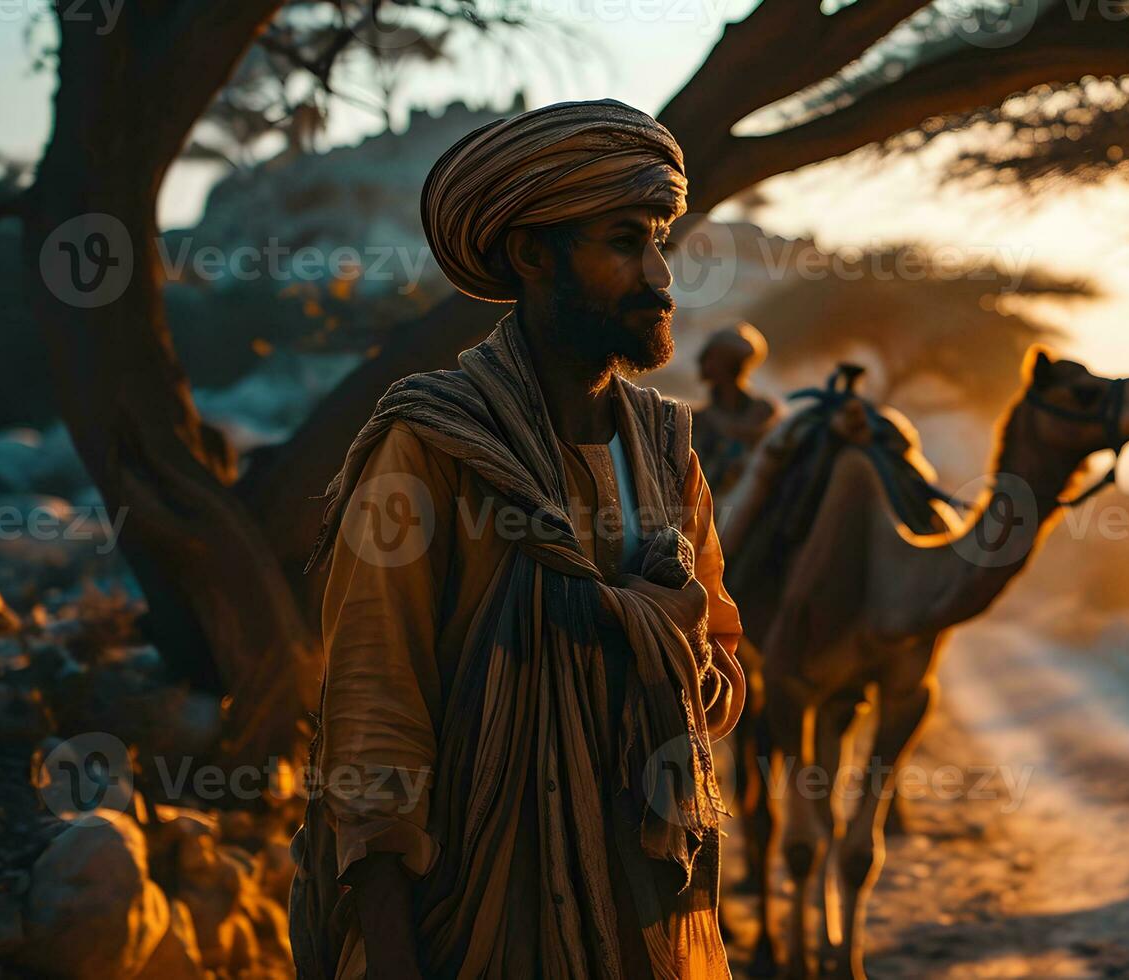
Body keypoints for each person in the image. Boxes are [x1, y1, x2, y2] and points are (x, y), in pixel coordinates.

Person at [289, 100, 745, 980]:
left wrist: (665, 642)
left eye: (660, 242)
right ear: (535, 254)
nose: (659, 277)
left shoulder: (665, 450)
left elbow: (721, 683)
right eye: (623, 242)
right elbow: (374, 715)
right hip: (465, 923)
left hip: (638, 916)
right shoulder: (431, 445)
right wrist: (392, 956)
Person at [690, 322, 778, 495]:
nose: (704, 362)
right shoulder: (697, 419)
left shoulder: (763, 412)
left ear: (732, 363)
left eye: (713, 357)